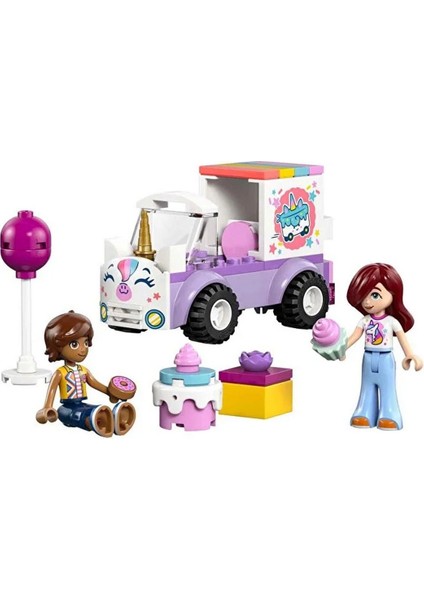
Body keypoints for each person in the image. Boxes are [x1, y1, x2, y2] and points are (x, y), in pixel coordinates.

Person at [345, 263, 422, 430]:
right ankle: (364, 411)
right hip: (367, 358)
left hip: (386, 359)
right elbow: (354, 337)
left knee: (388, 388)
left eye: (374, 294)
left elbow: (402, 339)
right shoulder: (365, 321)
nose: (367, 301)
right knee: (366, 387)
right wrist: (342, 348)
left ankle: (389, 413)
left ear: (392, 294)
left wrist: (410, 355)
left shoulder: (391, 322)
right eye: (363, 295)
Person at [36, 310, 136, 437]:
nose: (83, 349)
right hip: (67, 407)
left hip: (82, 404)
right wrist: (47, 407)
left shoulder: (83, 370)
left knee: (95, 409)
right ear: (57, 347)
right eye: (74, 344)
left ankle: (116, 419)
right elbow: (52, 390)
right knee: (74, 414)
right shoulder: (60, 373)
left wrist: (110, 393)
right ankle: (95, 423)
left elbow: (95, 384)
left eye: (86, 343)